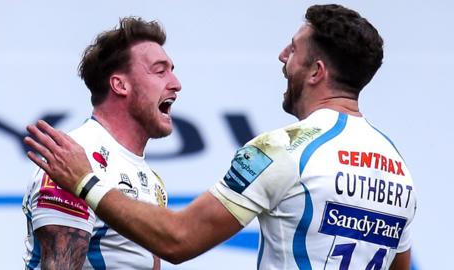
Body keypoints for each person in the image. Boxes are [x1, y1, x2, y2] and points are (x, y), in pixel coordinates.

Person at [25, 4, 416, 269]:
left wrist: (85, 182)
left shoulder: (282, 148)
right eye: (160, 70)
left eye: (293, 49)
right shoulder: (398, 168)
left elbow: (179, 239)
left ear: (316, 71)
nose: (283, 56)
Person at [22, 16, 181, 269]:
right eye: (160, 71)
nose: (176, 84)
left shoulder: (153, 182)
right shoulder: (73, 160)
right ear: (120, 85)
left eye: (172, 71)